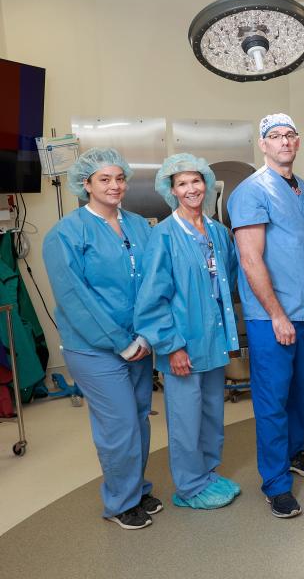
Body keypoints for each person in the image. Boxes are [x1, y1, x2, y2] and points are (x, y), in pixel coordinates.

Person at [42, 148, 160, 529]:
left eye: (119, 178)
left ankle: (136, 488)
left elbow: (154, 281)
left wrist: (145, 334)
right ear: (86, 183)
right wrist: (120, 341)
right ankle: (120, 502)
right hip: (94, 348)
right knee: (120, 424)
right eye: (104, 179)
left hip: (140, 341)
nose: (114, 185)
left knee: (140, 419)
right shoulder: (66, 233)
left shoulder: (140, 225)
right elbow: (75, 298)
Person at [228, 114, 304, 518]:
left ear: (298, 142)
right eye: (275, 136)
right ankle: (275, 483)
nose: (284, 142)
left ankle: (294, 453)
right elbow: (251, 260)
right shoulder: (251, 192)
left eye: (289, 135)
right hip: (273, 317)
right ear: (262, 145)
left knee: (302, 392)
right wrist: (277, 314)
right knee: (273, 399)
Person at [134, 153, 241, 510]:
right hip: (181, 344)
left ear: (207, 184)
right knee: (185, 418)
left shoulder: (217, 232)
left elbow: (226, 280)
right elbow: (151, 299)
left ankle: (207, 472)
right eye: (182, 183)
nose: (191, 188)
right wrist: (171, 346)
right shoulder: (163, 236)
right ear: (172, 190)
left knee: (212, 411)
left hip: (212, 341)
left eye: (196, 181)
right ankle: (190, 485)